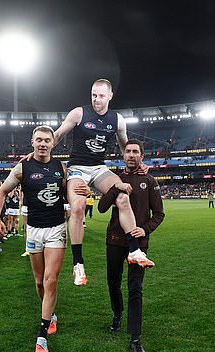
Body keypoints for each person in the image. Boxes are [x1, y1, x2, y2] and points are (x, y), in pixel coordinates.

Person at [45, 79, 152, 286]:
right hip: (77, 168)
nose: (96, 99)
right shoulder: (79, 113)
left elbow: (125, 147)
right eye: (94, 95)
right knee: (77, 207)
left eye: (101, 95)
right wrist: (36, 153)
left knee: (122, 196)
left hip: (99, 168)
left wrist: (139, 163)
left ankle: (134, 250)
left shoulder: (118, 120)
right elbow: (56, 136)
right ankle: (78, 263)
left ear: (110, 96)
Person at [0, 125, 86, 352]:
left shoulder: (60, 167)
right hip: (33, 231)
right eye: (39, 140)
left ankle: (42, 335)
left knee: (50, 279)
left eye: (47, 140)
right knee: (39, 282)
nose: (43, 144)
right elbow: (1, 192)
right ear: (32, 142)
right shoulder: (23, 167)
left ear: (54, 144)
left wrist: (82, 190)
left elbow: (69, 192)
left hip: (56, 229)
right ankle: (50, 314)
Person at [98, 139, 165, 352]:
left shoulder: (150, 180)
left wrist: (144, 230)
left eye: (135, 152)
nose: (131, 155)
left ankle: (135, 339)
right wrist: (115, 187)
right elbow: (101, 207)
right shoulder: (115, 179)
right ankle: (117, 315)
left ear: (141, 156)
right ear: (123, 155)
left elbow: (159, 214)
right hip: (115, 240)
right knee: (113, 282)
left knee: (135, 289)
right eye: (128, 151)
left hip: (139, 245)